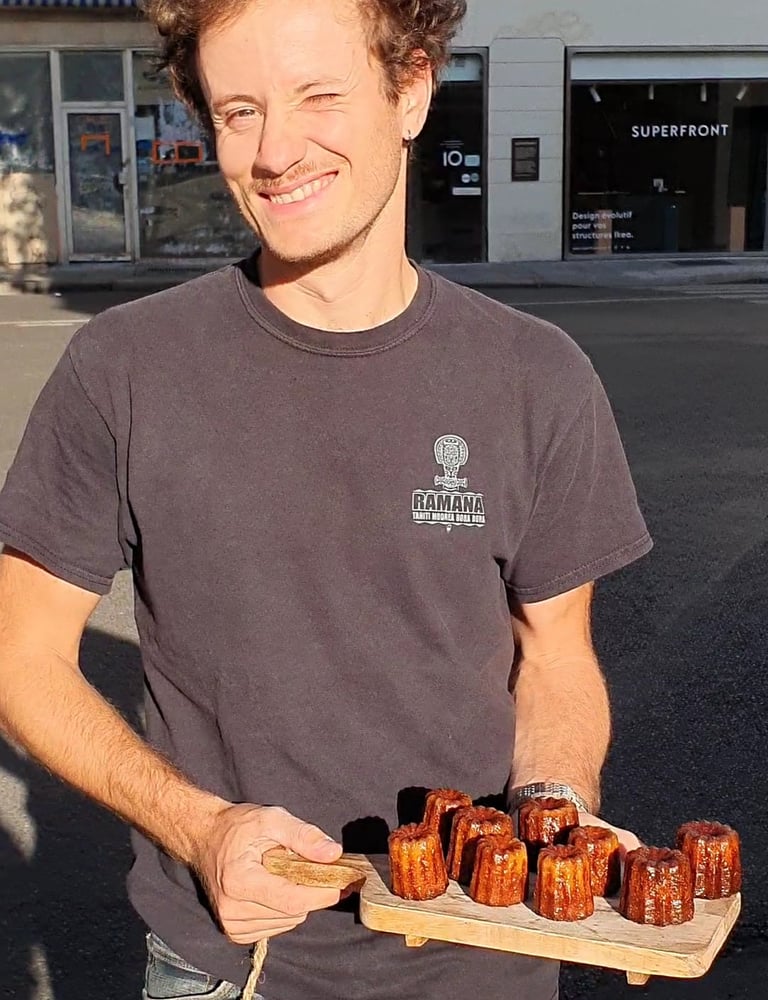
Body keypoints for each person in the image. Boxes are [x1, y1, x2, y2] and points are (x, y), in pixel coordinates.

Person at [0, 1, 653, 998]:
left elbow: (555, 654)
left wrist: (556, 808)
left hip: (483, 957)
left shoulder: (536, 378)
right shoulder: (124, 370)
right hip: (228, 966)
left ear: (413, 91)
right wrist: (200, 827)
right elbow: (21, 655)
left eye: (319, 96)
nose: (275, 152)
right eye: (240, 110)